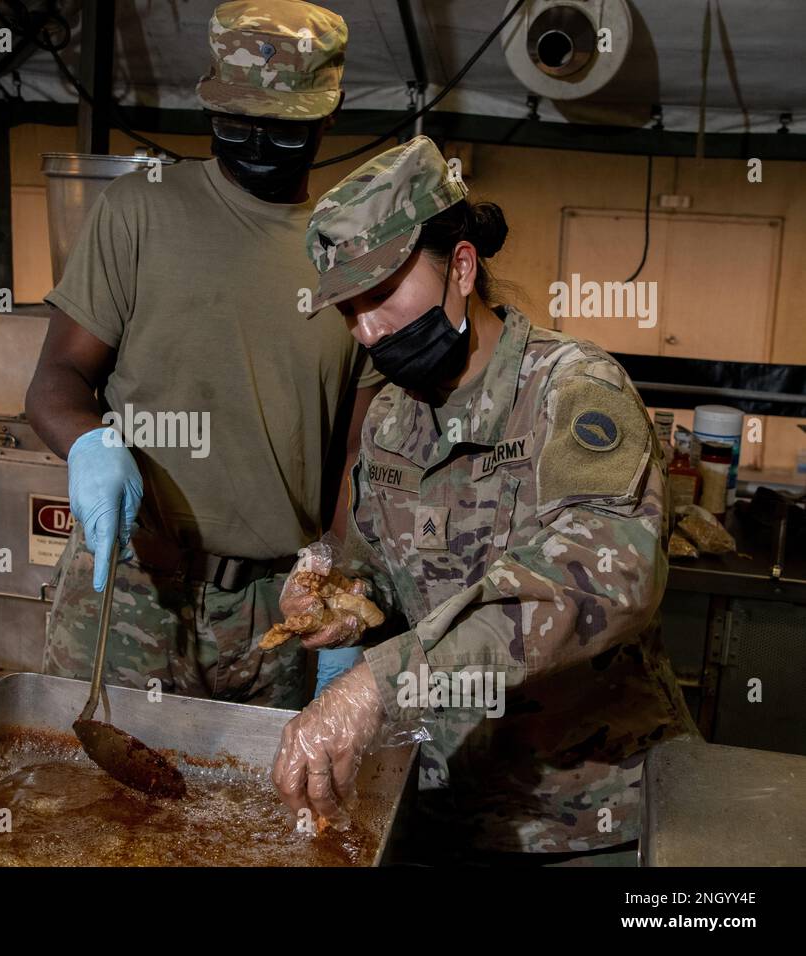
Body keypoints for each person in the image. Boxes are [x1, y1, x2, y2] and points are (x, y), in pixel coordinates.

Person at [270, 134, 697, 859]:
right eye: (348, 309)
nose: (367, 329)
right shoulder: (392, 416)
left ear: (461, 267)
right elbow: (384, 569)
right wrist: (340, 597)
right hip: (438, 802)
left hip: (579, 820)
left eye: (380, 295)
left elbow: (606, 576)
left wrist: (380, 684)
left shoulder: (571, 389)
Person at [25, 1, 380, 709]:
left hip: (273, 612)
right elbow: (56, 381)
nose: (252, 144)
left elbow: (358, 448)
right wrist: (91, 445)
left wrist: (336, 564)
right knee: (87, 807)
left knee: (246, 813)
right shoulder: (139, 210)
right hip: (129, 592)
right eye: (233, 122)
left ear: (326, 115)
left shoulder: (358, 253)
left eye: (280, 130)